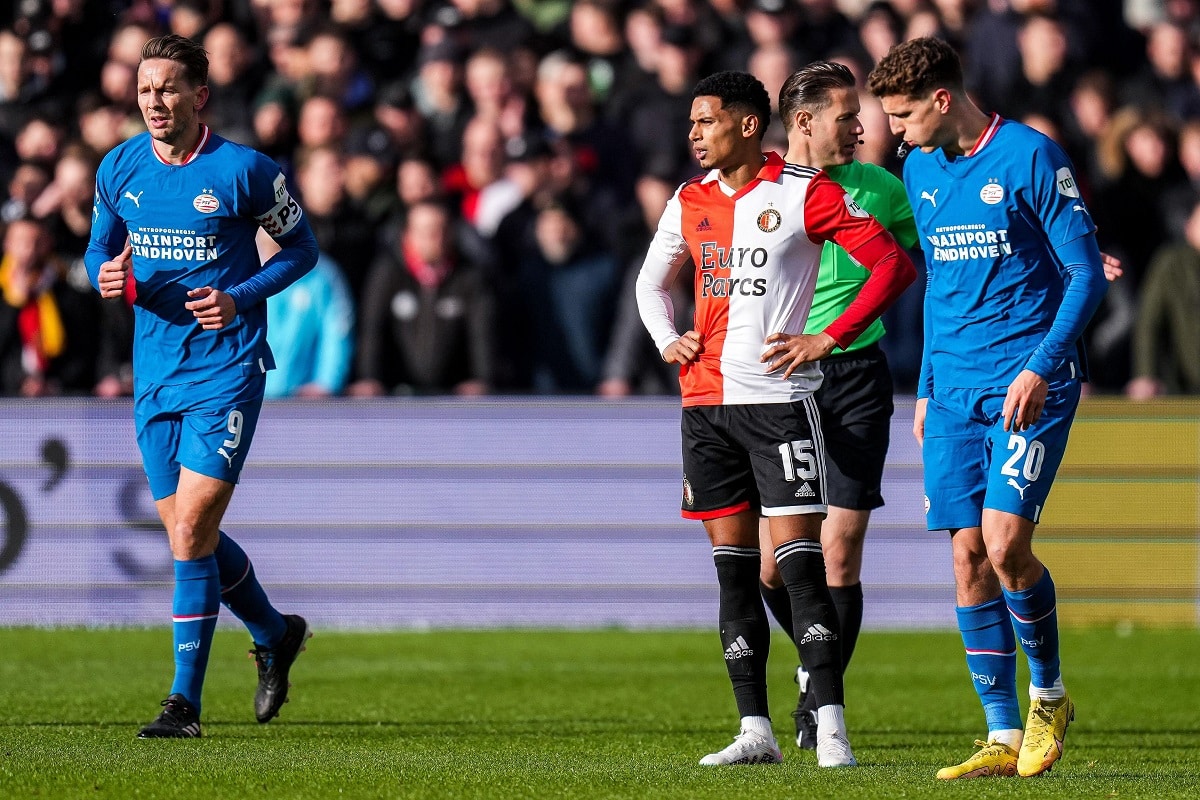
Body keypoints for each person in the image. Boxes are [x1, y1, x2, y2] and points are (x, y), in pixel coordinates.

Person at [636, 70, 915, 768]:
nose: (694, 134)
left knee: (802, 568)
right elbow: (649, 281)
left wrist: (828, 335)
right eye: (691, 123)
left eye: (706, 121)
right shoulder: (689, 199)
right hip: (704, 408)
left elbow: (892, 266)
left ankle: (830, 728)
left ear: (748, 124)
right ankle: (754, 730)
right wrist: (668, 339)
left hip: (779, 404)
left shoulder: (803, 192)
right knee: (736, 575)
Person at [866, 37, 1110, 779]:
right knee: (967, 556)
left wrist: (1041, 365)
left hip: (1027, 384)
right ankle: (1002, 735)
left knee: (1005, 545)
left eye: (904, 116)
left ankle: (1050, 697)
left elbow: (1085, 276)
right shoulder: (920, 168)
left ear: (943, 100)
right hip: (953, 391)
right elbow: (940, 284)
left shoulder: (1032, 156)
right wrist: (931, 383)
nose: (895, 132)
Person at [84, 34, 317, 738]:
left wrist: (241, 296)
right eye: (145, 88)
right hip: (153, 372)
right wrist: (103, 273)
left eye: (168, 89)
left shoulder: (244, 171)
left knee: (190, 532)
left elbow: (302, 248)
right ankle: (276, 634)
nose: (155, 101)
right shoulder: (119, 166)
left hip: (226, 367)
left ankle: (182, 704)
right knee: (192, 536)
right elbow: (100, 245)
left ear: (198, 96)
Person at [755, 61, 919, 752]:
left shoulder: (882, 190)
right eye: (848, 115)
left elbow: (935, 257)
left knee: (840, 553)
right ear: (803, 121)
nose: (862, 126)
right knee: (771, 567)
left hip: (853, 375)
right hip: (775, 380)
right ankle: (814, 661)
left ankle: (820, 698)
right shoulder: (756, 189)